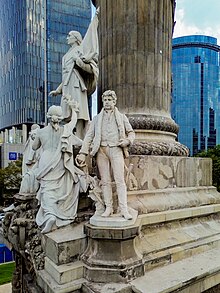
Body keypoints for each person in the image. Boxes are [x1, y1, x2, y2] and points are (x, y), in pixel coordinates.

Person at [76, 90, 135, 220]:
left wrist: (127, 141)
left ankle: (124, 209)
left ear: (114, 102)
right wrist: (82, 152)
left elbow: (131, 133)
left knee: (120, 180)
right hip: (101, 150)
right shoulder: (97, 119)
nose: (107, 102)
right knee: (105, 181)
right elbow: (89, 136)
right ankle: (108, 207)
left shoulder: (122, 117)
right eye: (105, 100)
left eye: (110, 100)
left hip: (116, 149)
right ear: (103, 101)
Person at [32, 98, 88, 233]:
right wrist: (74, 110)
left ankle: (50, 215)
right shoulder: (65, 130)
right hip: (59, 163)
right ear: (60, 117)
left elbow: (34, 147)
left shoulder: (41, 132)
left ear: (48, 116)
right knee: (59, 189)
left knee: (47, 189)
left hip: (46, 161)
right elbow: (73, 122)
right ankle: (57, 213)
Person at [49, 11, 99, 138]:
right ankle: (69, 137)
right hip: (67, 87)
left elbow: (90, 69)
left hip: (76, 85)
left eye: (69, 35)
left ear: (75, 39)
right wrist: (58, 90)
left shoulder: (80, 50)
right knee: (67, 115)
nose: (67, 37)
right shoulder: (66, 55)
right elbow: (66, 76)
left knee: (79, 114)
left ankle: (81, 138)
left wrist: (79, 62)